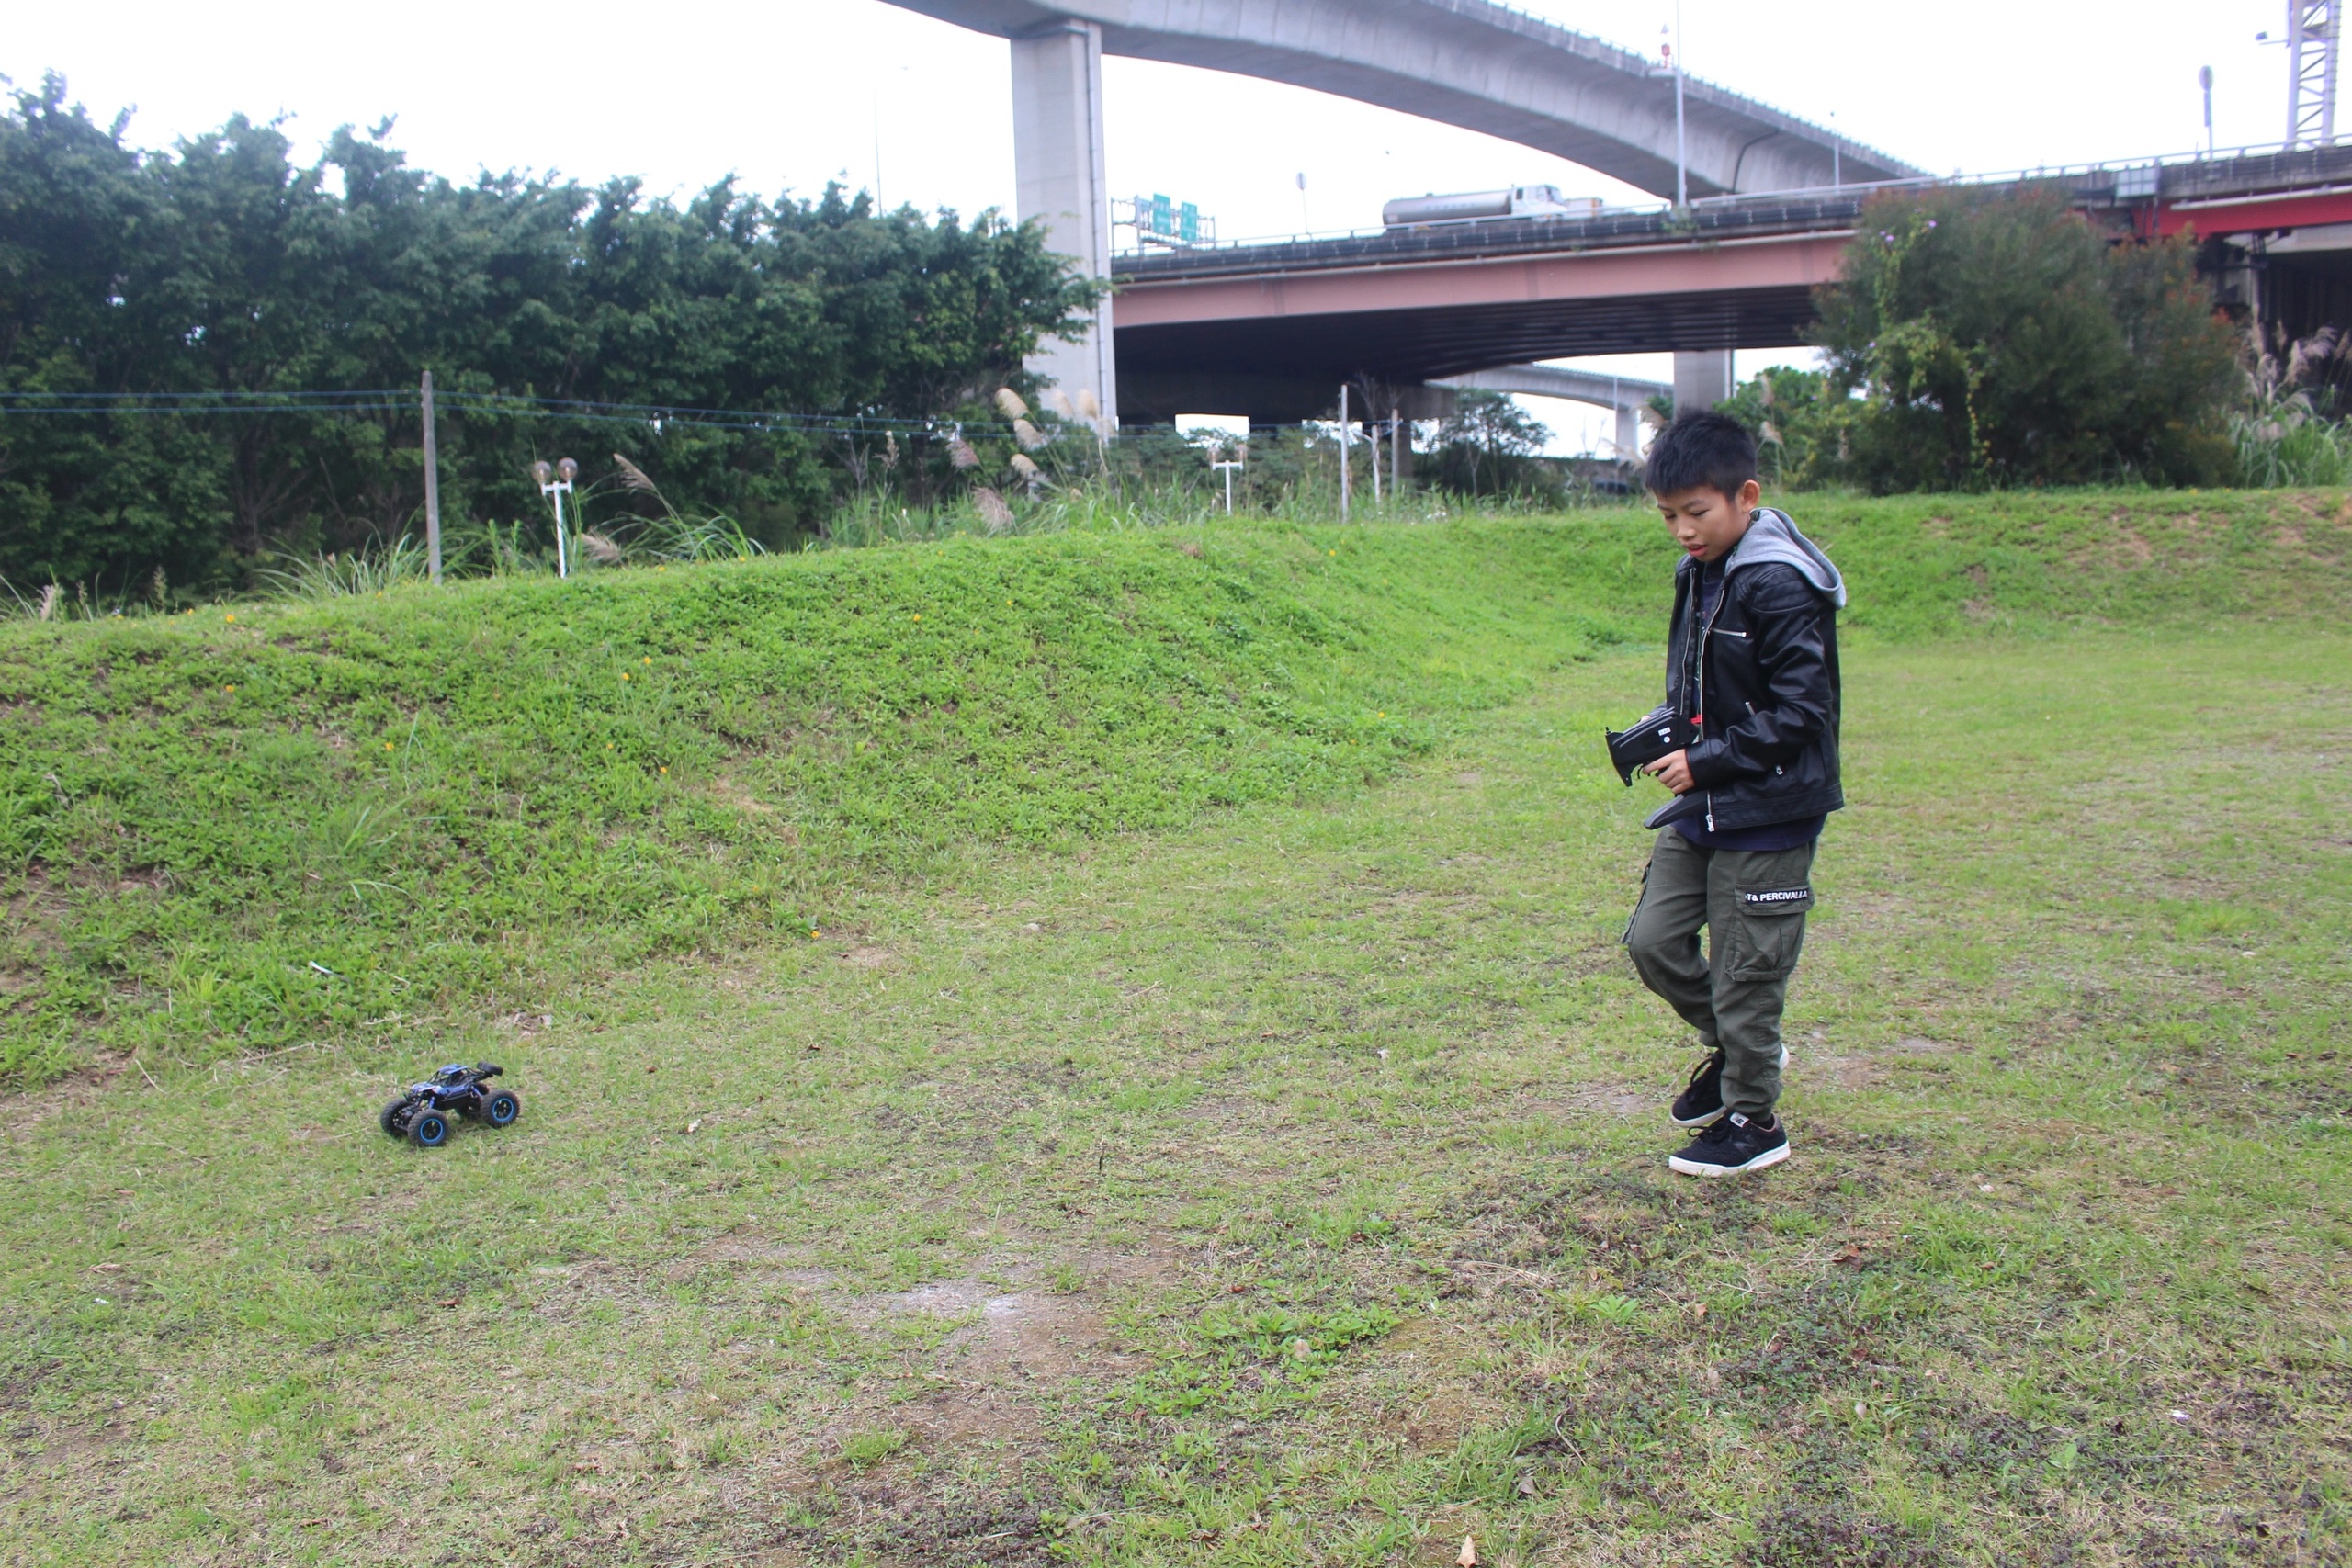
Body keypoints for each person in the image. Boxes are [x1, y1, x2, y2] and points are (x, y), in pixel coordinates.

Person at [1621, 411, 1845, 1178]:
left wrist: (1708, 759)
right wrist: (1663, 731)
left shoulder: (1777, 579)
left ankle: (1756, 1120)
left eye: (1697, 512)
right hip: (1704, 804)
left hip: (1770, 806)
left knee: (1749, 966)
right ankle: (1741, 1045)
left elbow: (1802, 713)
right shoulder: (1701, 569)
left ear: (1745, 496)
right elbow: (1703, 682)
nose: (1682, 529)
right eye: (1668, 516)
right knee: (1653, 941)